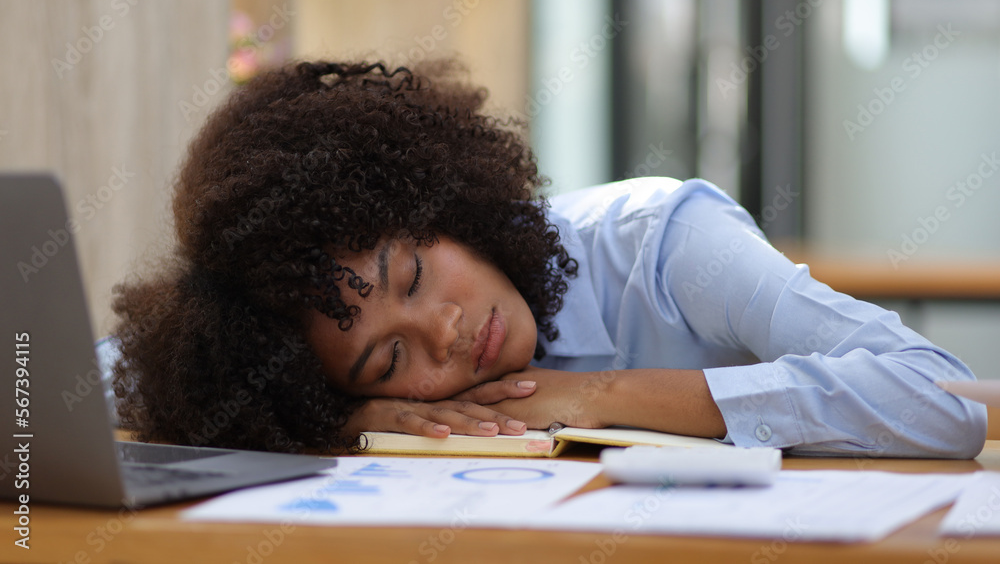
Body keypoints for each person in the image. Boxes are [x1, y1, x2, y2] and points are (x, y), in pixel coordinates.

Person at [110, 60, 987, 458]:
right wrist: (322, 426)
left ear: (446, 206)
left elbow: (939, 400)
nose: (447, 332)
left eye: (413, 276)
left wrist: (596, 397)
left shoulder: (664, 242)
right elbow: (102, 375)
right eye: (388, 358)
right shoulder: (355, 399)